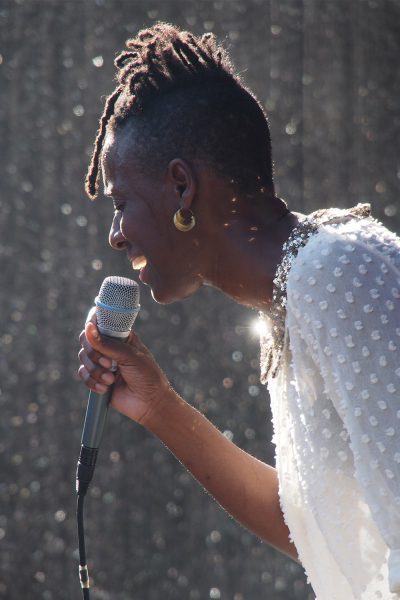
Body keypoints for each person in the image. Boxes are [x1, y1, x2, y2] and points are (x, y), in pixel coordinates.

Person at [78, 23, 400, 600]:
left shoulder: (344, 274)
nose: (115, 236)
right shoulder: (299, 292)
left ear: (182, 187)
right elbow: (317, 530)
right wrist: (159, 408)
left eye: (121, 202)